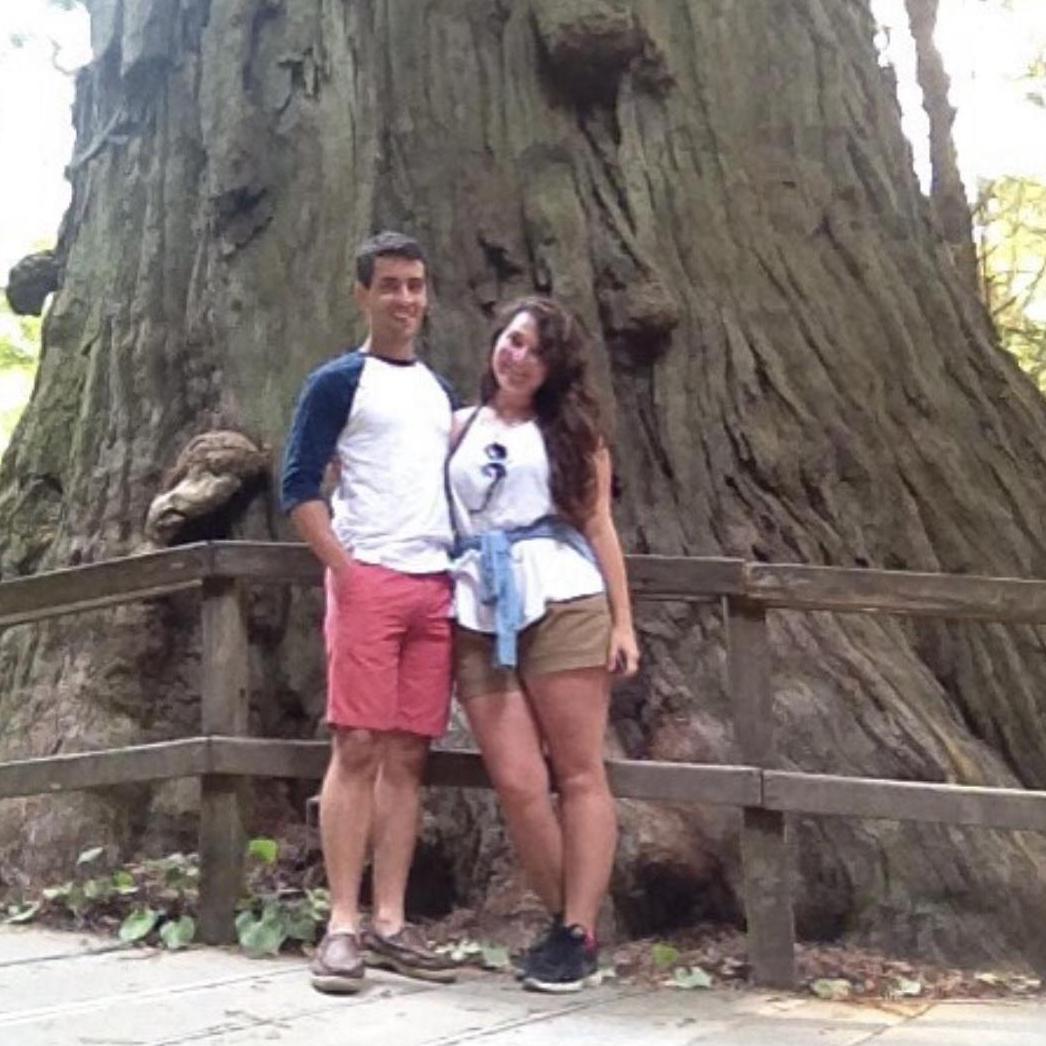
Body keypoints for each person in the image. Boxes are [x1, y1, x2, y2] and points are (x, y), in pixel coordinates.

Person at [281, 231, 459, 994]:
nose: (405, 299)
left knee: (409, 755)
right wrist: (345, 572)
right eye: (389, 285)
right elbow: (297, 486)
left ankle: (391, 920)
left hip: (434, 583)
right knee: (357, 745)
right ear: (362, 294)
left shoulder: (434, 389)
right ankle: (342, 926)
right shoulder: (337, 381)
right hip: (369, 578)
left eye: (415, 285)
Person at [447, 296, 640, 993]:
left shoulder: (573, 433)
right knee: (520, 784)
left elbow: (599, 526)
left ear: (553, 367)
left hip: (563, 598)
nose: (517, 356)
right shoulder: (457, 428)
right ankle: (567, 923)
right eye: (511, 340)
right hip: (478, 606)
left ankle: (577, 931)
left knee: (579, 771)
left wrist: (622, 621)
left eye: (534, 349)